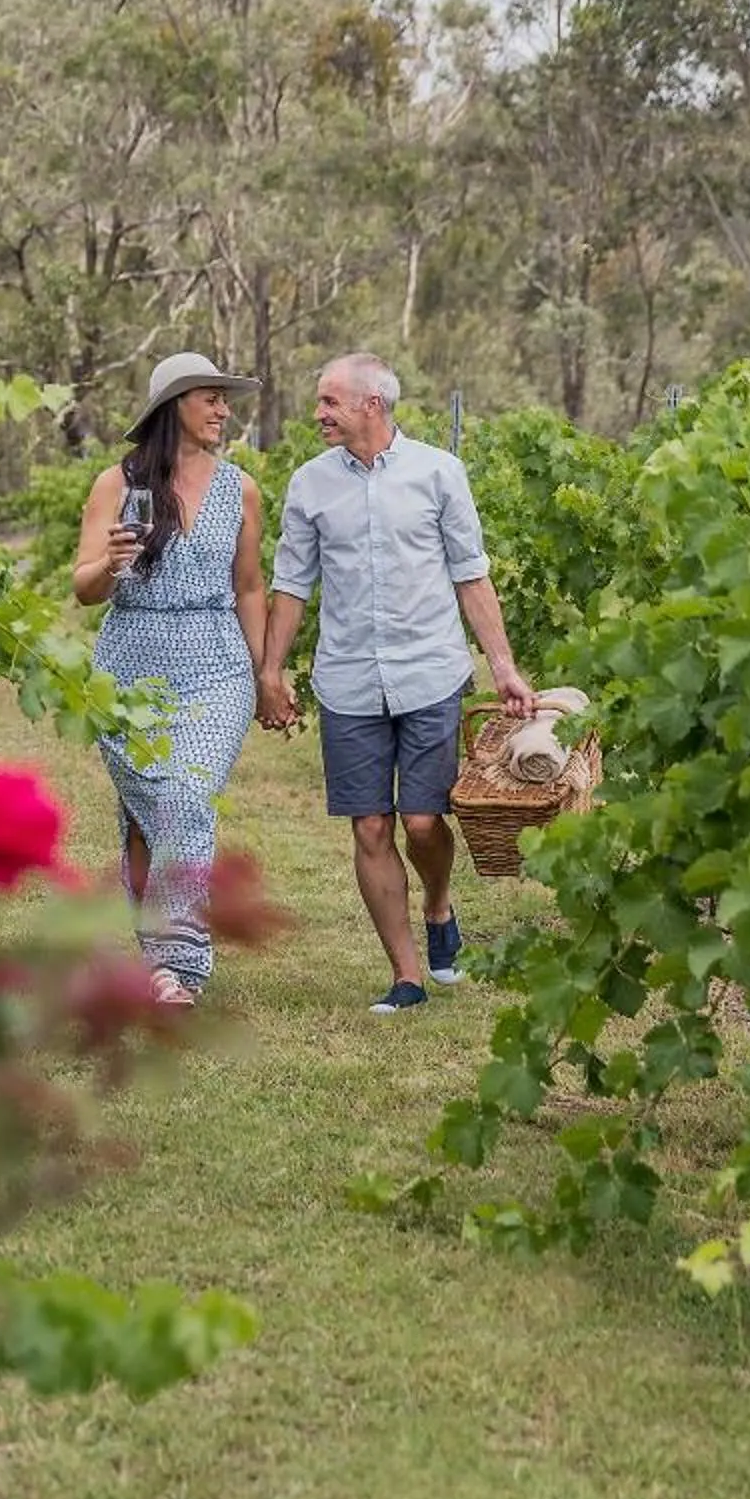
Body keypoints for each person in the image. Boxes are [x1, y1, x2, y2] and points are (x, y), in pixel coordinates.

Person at [258, 353, 534, 1014]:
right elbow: (293, 583)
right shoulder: (309, 484)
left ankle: (439, 907)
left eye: (330, 401)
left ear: (372, 404)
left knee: (419, 820)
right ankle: (407, 974)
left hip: (430, 671)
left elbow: (471, 573)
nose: (318, 413)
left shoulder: (440, 472)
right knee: (371, 828)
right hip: (348, 678)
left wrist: (502, 665)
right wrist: (270, 669)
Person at [73, 351, 267, 1010]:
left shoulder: (240, 488)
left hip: (216, 665)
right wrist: (110, 562)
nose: (223, 409)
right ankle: (153, 948)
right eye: (210, 397)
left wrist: (266, 671)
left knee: (185, 796)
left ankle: (175, 965)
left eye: (224, 398)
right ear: (172, 406)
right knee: (147, 816)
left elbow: (247, 586)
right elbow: (85, 589)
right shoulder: (116, 483)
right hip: (130, 668)